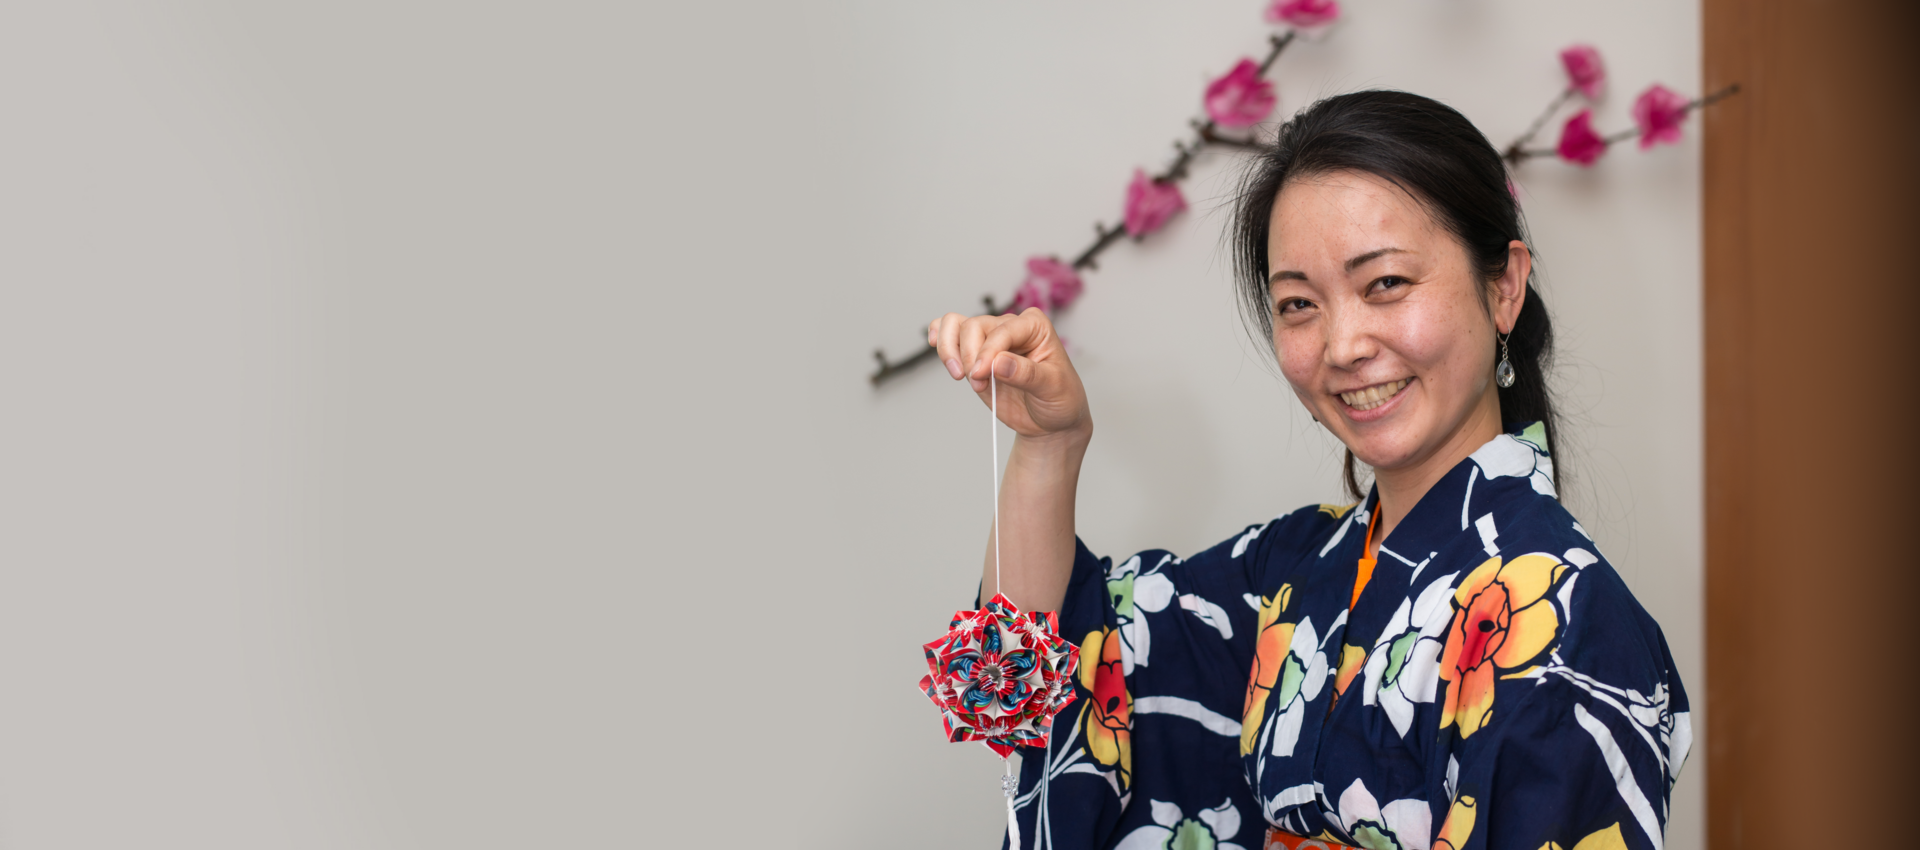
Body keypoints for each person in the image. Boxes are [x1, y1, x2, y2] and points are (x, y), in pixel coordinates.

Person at [926, 91, 1689, 850]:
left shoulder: (1567, 620)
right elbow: (1019, 685)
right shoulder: (1289, 575)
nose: (1343, 344)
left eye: (1385, 283)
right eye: (1298, 304)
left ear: (1504, 287)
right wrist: (1049, 445)